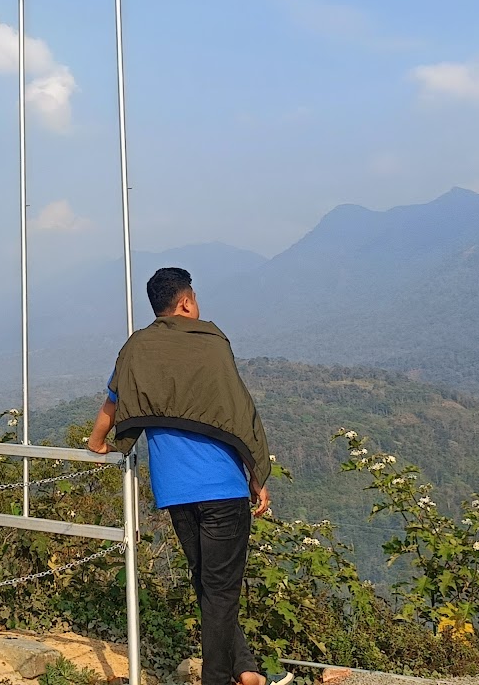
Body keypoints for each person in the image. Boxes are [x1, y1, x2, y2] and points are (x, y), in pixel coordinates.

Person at [87, 266, 290, 685]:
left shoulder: (136, 348)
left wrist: (97, 444)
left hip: (176, 491)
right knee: (221, 588)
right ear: (185, 302)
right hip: (223, 489)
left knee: (208, 582)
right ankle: (218, 679)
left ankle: (246, 669)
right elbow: (238, 412)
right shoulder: (211, 342)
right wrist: (257, 473)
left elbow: (112, 401)